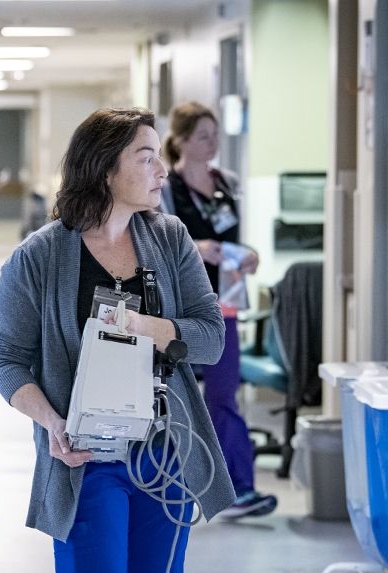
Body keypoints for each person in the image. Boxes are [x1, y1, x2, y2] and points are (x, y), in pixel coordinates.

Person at [0, 107, 236, 573]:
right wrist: (51, 423)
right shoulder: (37, 258)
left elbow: (210, 339)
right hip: (86, 457)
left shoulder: (169, 239)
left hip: (164, 453)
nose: (161, 170)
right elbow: (6, 360)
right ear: (105, 169)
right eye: (146, 158)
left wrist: (142, 326)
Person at [161, 101, 278, 519]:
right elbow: (156, 243)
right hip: (180, 310)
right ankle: (170, 482)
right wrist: (197, 248)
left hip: (224, 305)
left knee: (224, 395)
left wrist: (249, 256)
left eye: (215, 135)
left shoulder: (227, 183)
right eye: (202, 136)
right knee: (172, 399)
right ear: (180, 142)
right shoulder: (166, 190)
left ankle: (238, 490)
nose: (212, 143)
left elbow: (237, 239)